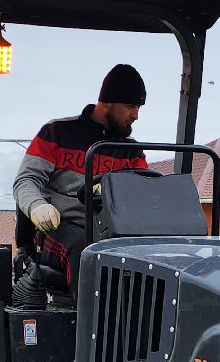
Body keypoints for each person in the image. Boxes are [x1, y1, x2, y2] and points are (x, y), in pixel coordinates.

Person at [12, 64, 148, 298]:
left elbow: (145, 190)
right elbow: (26, 180)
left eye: (138, 107)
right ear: (106, 103)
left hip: (112, 232)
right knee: (85, 249)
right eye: (130, 106)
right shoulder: (56, 133)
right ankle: (93, 319)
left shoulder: (131, 151)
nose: (136, 115)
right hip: (59, 229)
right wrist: (37, 206)